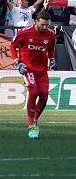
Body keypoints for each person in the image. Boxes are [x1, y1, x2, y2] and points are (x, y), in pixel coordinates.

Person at [9, 10, 57, 139]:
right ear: (35, 21)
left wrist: (52, 58)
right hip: (27, 68)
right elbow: (12, 46)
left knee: (44, 98)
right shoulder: (24, 33)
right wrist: (17, 62)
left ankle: (35, 120)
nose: (45, 27)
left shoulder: (50, 35)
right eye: (42, 24)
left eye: (47, 25)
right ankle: (30, 126)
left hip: (42, 70)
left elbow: (51, 49)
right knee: (34, 92)